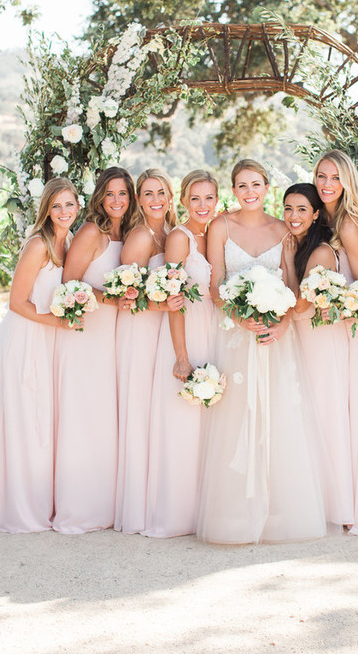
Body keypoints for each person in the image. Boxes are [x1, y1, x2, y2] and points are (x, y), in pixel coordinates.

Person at [196, 159, 326, 544]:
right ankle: (237, 510)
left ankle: (278, 510)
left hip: (274, 339)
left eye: (256, 184)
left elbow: (289, 285)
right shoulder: (220, 226)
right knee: (236, 418)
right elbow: (216, 284)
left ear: (267, 187)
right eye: (241, 185)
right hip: (236, 335)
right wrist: (238, 318)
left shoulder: (282, 228)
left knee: (277, 416)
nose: (249, 191)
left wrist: (282, 323)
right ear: (233, 190)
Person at [0, 178, 80, 532]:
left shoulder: (68, 240)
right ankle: (20, 510)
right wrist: (56, 321)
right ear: (46, 209)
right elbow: (16, 302)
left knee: (43, 419)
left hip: (47, 336)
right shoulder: (39, 244)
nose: (64, 212)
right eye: (56, 206)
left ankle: (42, 502)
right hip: (25, 337)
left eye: (69, 204)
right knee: (26, 419)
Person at [53, 166, 136, 534]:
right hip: (87, 332)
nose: (117, 201)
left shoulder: (128, 233)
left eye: (123, 194)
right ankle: (81, 506)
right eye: (111, 194)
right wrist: (112, 298)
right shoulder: (92, 232)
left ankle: (107, 502)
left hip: (115, 335)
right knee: (84, 415)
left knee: (107, 416)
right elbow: (69, 284)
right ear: (100, 197)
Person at [143, 170, 217, 537]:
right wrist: (181, 355)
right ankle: (178, 512)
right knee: (184, 420)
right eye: (195, 198)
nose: (202, 206)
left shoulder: (218, 231)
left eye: (209, 198)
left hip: (216, 329)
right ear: (183, 201)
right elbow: (174, 300)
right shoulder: (179, 237)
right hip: (186, 329)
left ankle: (208, 506)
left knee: (211, 423)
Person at [313, 149, 358, 534]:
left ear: (348, 182)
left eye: (335, 177)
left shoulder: (351, 224)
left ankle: (351, 501)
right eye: (322, 175)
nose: (326, 184)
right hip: (330, 328)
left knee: (346, 411)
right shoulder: (325, 216)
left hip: (351, 330)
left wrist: (335, 306)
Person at [114, 168, 183, 535]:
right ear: (138, 200)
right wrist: (163, 307)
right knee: (140, 410)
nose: (156, 199)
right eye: (148, 194)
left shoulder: (172, 234)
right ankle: (139, 506)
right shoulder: (140, 237)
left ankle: (160, 495)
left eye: (161, 192)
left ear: (170, 196)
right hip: (140, 331)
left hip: (161, 330)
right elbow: (123, 300)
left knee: (157, 411)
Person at [282, 182, 354, 527]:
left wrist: (287, 264)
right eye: (287, 209)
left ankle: (335, 503)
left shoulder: (322, 252)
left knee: (325, 415)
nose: (293, 216)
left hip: (320, 341)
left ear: (314, 214)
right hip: (302, 340)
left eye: (301, 210)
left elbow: (300, 305)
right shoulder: (296, 244)